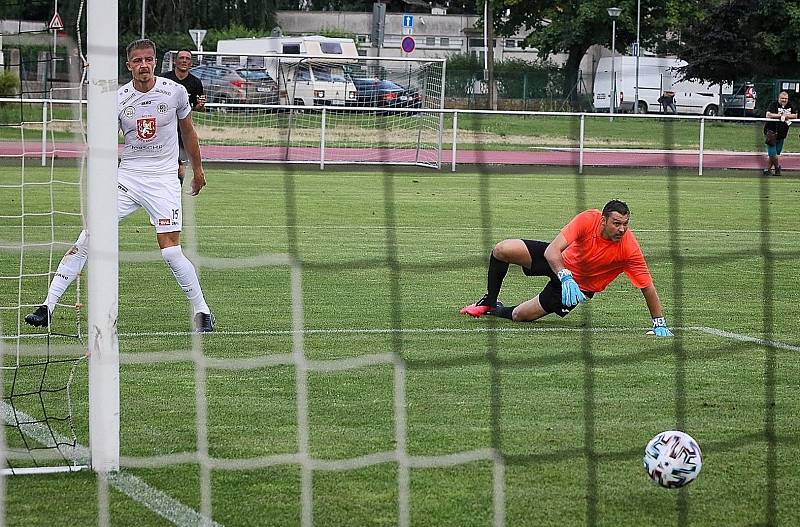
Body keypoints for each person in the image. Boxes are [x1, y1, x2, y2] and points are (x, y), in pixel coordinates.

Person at [25, 39, 215, 332]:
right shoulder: (117, 98)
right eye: (137, 61)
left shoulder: (175, 92)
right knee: (88, 237)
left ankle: (202, 311)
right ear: (129, 65)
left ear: (155, 62)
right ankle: (47, 306)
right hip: (126, 179)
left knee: (170, 252)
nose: (143, 65)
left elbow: (188, 133)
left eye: (148, 60)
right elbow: (102, 142)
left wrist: (197, 171)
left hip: (163, 181)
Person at [460, 200, 673, 337]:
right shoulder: (588, 219)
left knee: (519, 316)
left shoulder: (629, 249)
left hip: (578, 287)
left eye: (625, 224)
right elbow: (552, 251)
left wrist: (659, 323)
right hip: (560, 263)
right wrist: (565, 275)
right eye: (616, 223)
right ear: (603, 220)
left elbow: (647, 287)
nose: (622, 229)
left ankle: (494, 309)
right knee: (502, 249)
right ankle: (489, 300)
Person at [162, 48, 205, 185]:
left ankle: (175, 198)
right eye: (181, 58)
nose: (184, 60)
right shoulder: (164, 79)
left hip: (183, 131)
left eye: (187, 58)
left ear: (191, 63)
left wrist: (200, 106)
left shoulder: (196, 83)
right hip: (164, 129)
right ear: (175, 61)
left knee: (181, 171)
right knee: (164, 167)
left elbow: (198, 108)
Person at [762, 91, 796, 176]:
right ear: (779, 98)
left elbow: (795, 115)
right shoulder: (773, 104)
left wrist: (786, 116)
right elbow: (768, 115)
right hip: (771, 132)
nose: (784, 100)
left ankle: (768, 170)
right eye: (782, 98)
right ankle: (777, 168)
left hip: (782, 134)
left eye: (786, 98)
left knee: (776, 154)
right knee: (772, 153)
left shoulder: (790, 105)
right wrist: (780, 116)